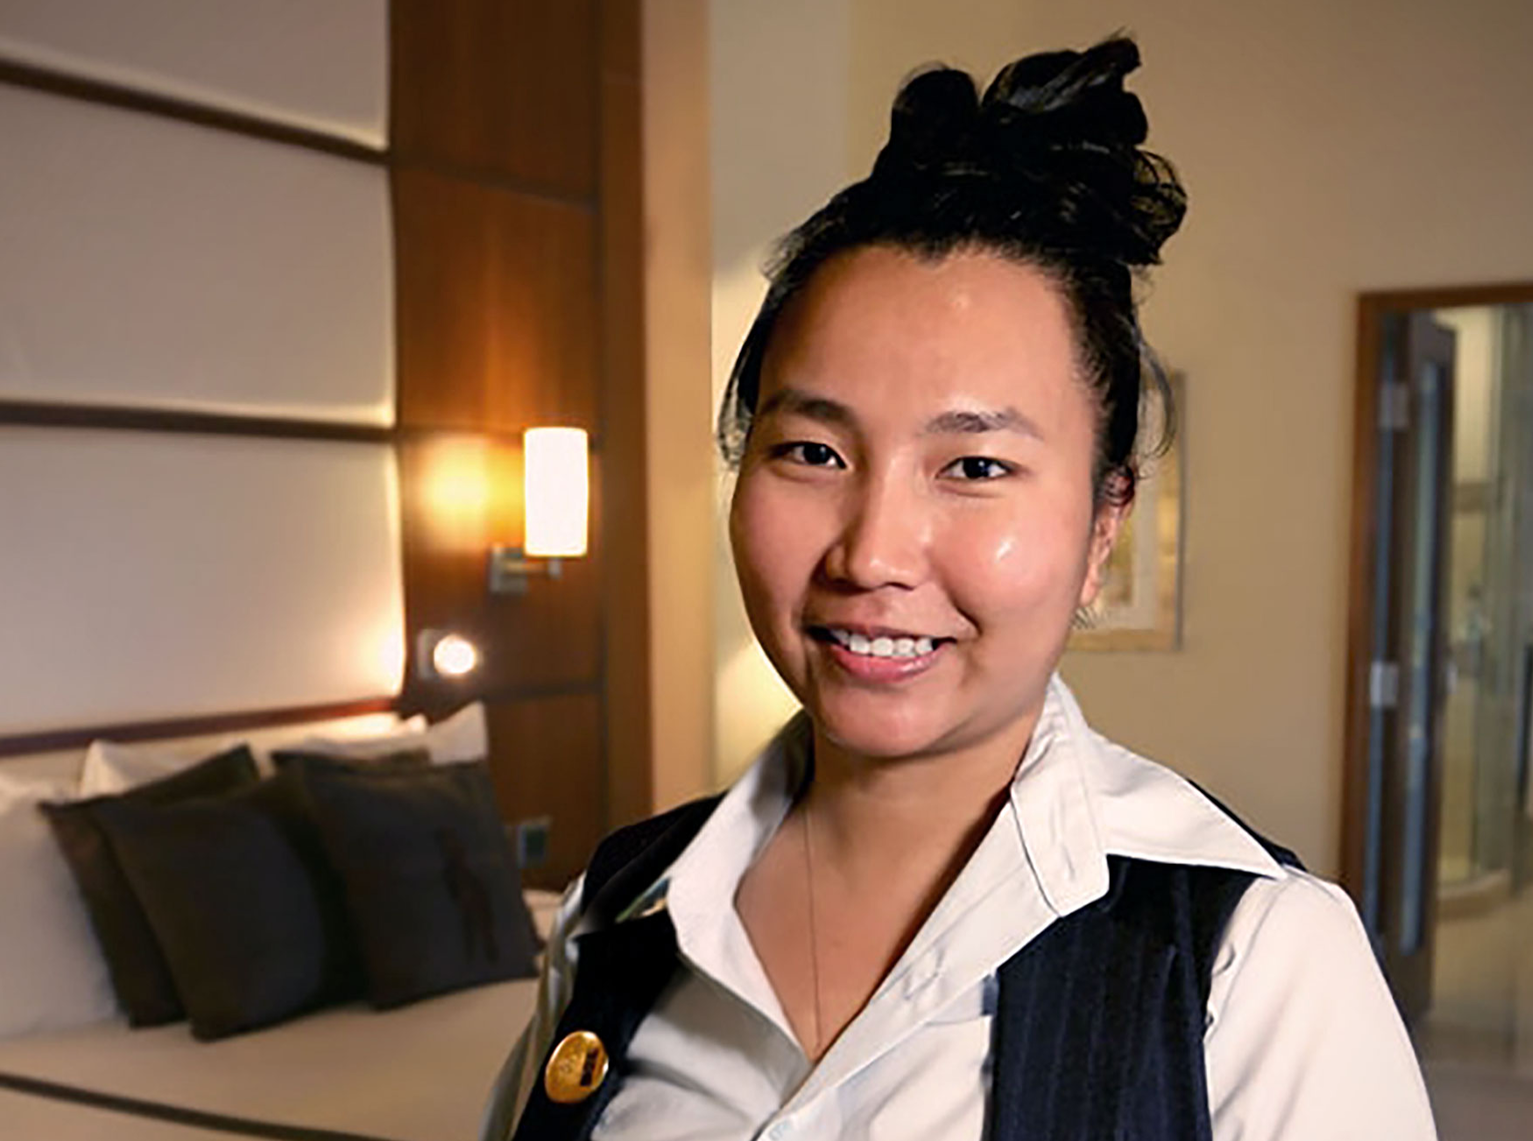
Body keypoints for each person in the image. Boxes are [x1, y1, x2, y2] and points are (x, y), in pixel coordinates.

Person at [486, 37, 1436, 1141]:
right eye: (811, 452)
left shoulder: (1248, 958)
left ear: (1101, 528)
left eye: (974, 467)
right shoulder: (620, 906)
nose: (873, 553)